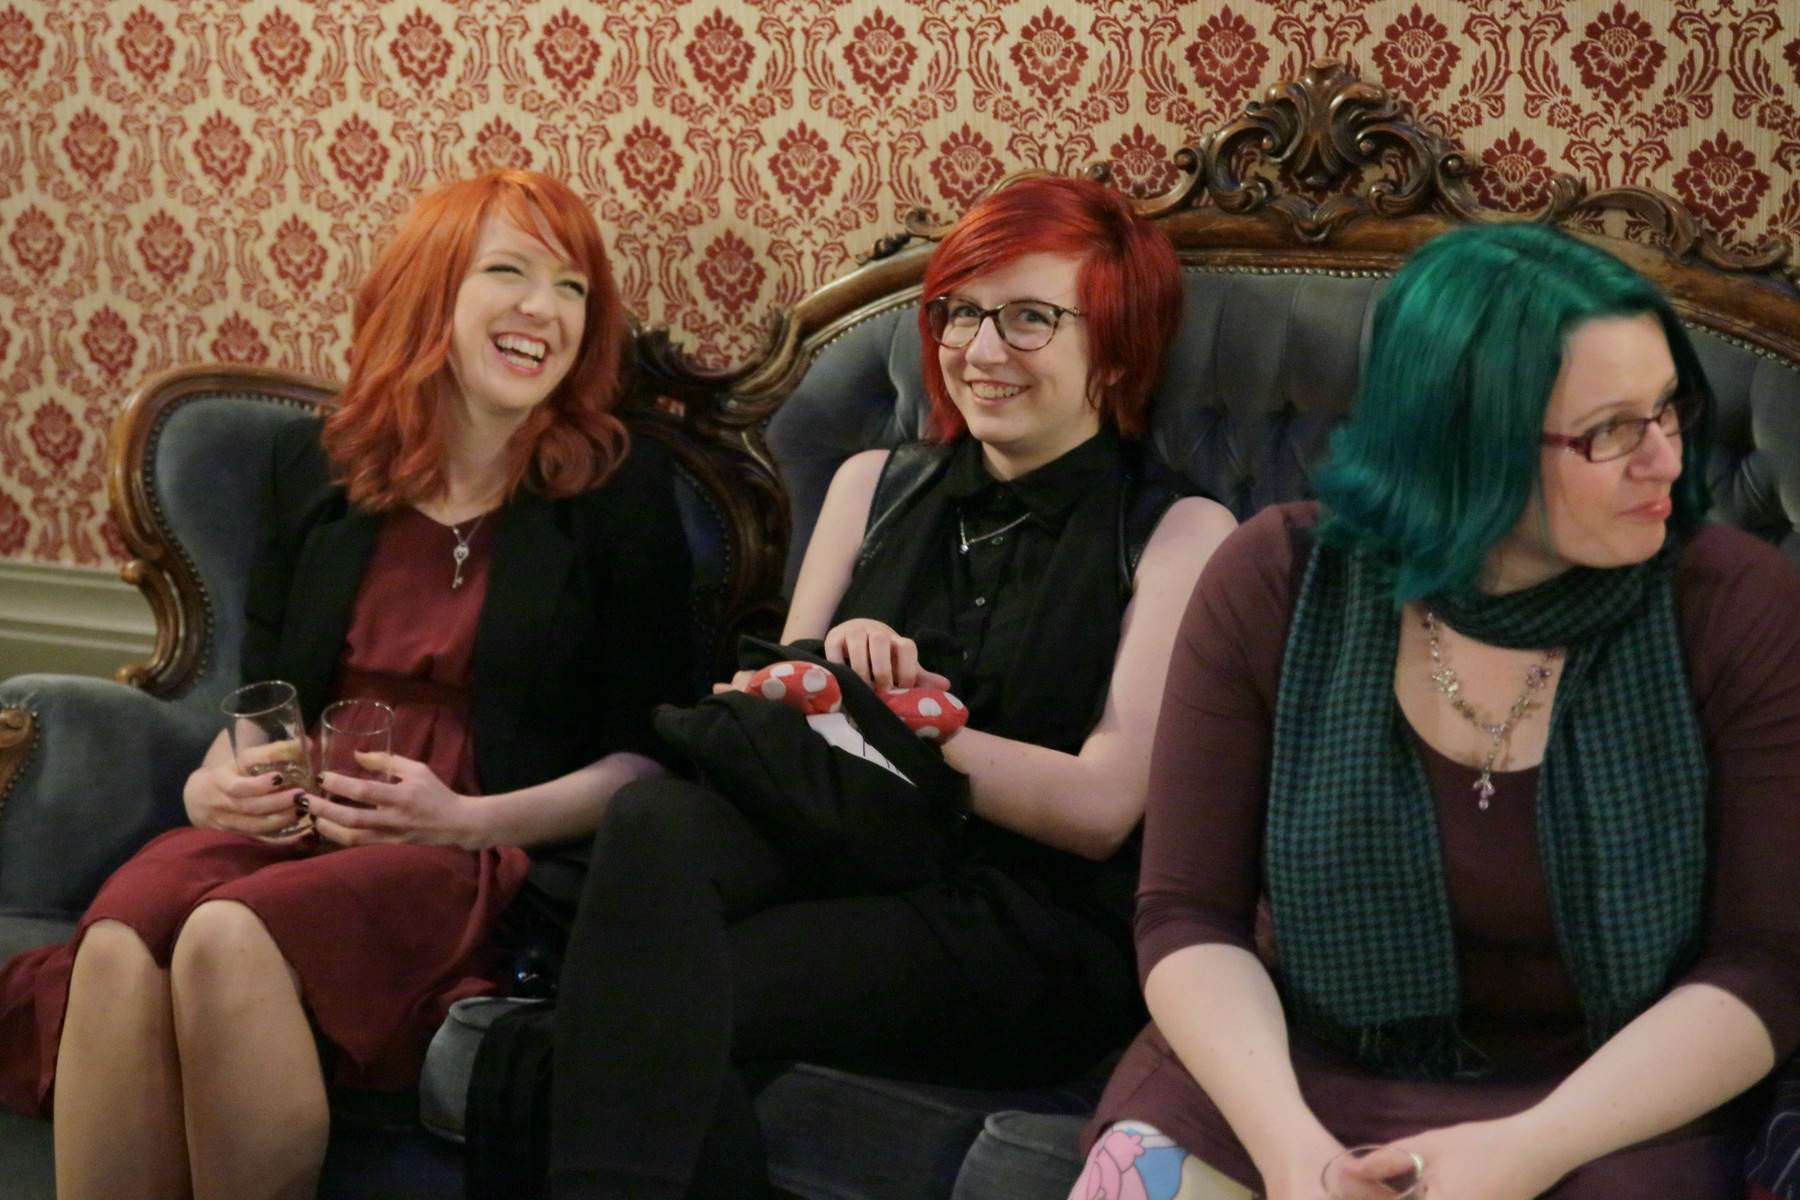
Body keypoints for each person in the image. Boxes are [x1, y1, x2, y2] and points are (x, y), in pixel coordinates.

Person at [504, 174, 1238, 1199]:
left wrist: (894, 716)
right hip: (849, 845)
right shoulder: (873, 487)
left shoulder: (1181, 532)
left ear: (1115, 346)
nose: (981, 350)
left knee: (643, 996)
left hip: (1027, 921)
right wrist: (830, 669)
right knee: (652, 819)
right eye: (962, 313)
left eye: (1030, 318)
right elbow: (771, 714)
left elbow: (1098, 808)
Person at [0, 168, 694, 1200]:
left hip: (479, 847)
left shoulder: (616, 486)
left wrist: (464, 819)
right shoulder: (325, 466)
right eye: (508, 272)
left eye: (572, 288)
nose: (544, 311)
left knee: (227, 934)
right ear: (429, 290)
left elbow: (654, 758)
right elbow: (261, 695)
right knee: (116, 938)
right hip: (303, 817)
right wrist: (213, 783)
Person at [1076, 222, 1800, 1200]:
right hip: (1282, 1072)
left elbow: (1766, 963)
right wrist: (1291, 1152)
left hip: (1611, 1101)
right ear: (1462, 444)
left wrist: (1530, 1148)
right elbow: (1187, 916)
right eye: (1611, 431)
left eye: (1670, 409)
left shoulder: (1736, 606)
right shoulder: (1273, 581)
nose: (1666, 460)